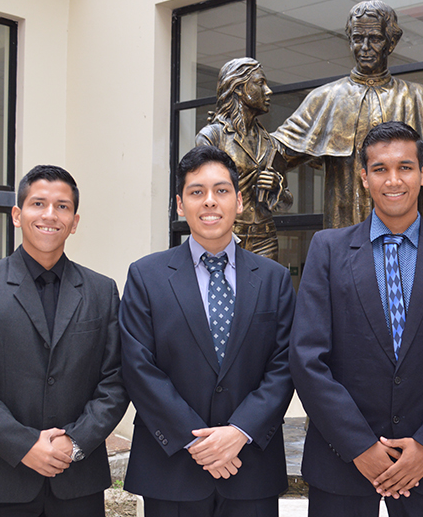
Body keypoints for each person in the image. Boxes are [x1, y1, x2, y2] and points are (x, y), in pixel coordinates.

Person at [290, 121, 423, 516]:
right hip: (341, 465)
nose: (393, 179)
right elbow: (307, 357)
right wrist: (360, 447)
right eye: (380, 169)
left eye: (405, 167)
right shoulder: (327, 249)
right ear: (364, 177)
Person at [0, 165, 129, 517]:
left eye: (62, 206)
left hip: (77, 481)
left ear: (74, 221)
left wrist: (74, 443)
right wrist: (25, 444)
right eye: (38, 203)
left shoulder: (102, 291)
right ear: (17, 214)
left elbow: (116, 381)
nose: (49, 215)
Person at [119, 145, 295, 517]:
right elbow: (138, 366)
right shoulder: (146, 276)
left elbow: (284, 366)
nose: (210, 202)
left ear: (240, 200)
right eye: (197, 192)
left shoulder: (274, 279)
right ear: (181, 205)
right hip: (171, 469)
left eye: (221, 190)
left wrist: (239, 432)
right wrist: (196, 441)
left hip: (250, 465)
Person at [273, 0, 423, 229]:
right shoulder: (325, 98)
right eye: (357, 38)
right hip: (343, 236)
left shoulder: (417, 98)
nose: (364, 47)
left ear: (391, 42)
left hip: (405, 237)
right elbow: (276, 152)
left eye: (374, 39)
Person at [197, 57, 292, 260]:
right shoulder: (213, 136)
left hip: (264, 238)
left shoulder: (271, 143)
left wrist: (277, 188)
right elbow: (200, 193)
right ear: (239, 88)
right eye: (260, 83)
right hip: (226, 235)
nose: (268, 91)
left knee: (264, 291)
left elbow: (286, 203)